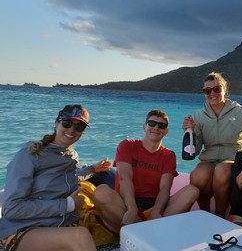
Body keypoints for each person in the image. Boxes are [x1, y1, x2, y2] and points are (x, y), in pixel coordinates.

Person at [0, 104, 111, 251]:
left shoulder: (71, 156)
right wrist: (68, 204)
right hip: (19, 231)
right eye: (67, 123)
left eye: (79, 127)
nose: (72, 130)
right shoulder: (29, 155)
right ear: (56, 123)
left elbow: (70, 177)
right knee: (80, 236)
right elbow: (12, 208)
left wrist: (92, 169)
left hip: (55, 226)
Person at [93, 109, 199, 234]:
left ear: (166, 131)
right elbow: (124, 178)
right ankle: (147, 230)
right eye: (151, 123)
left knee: (192, 191)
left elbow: (165, 188)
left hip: (153, 205)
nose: (156, 128)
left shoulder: (168, 155)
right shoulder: (127, 145)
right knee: (101, 192)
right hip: (125, 203)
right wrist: (131, 208)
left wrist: (156, 211)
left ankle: (143, 229)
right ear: (144, 127)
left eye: (161, 125)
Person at [182, 72, 242, 217]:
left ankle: (219, 214)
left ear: (225, 90)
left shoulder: (237, 110)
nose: (212, 93)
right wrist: (189, 132)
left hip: (232, 158)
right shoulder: (198, 115)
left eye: (217, 89)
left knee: (222, 170)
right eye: (207, 90)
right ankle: (204, 213)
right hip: (208, 159)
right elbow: (195, 150)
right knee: (198, 174)